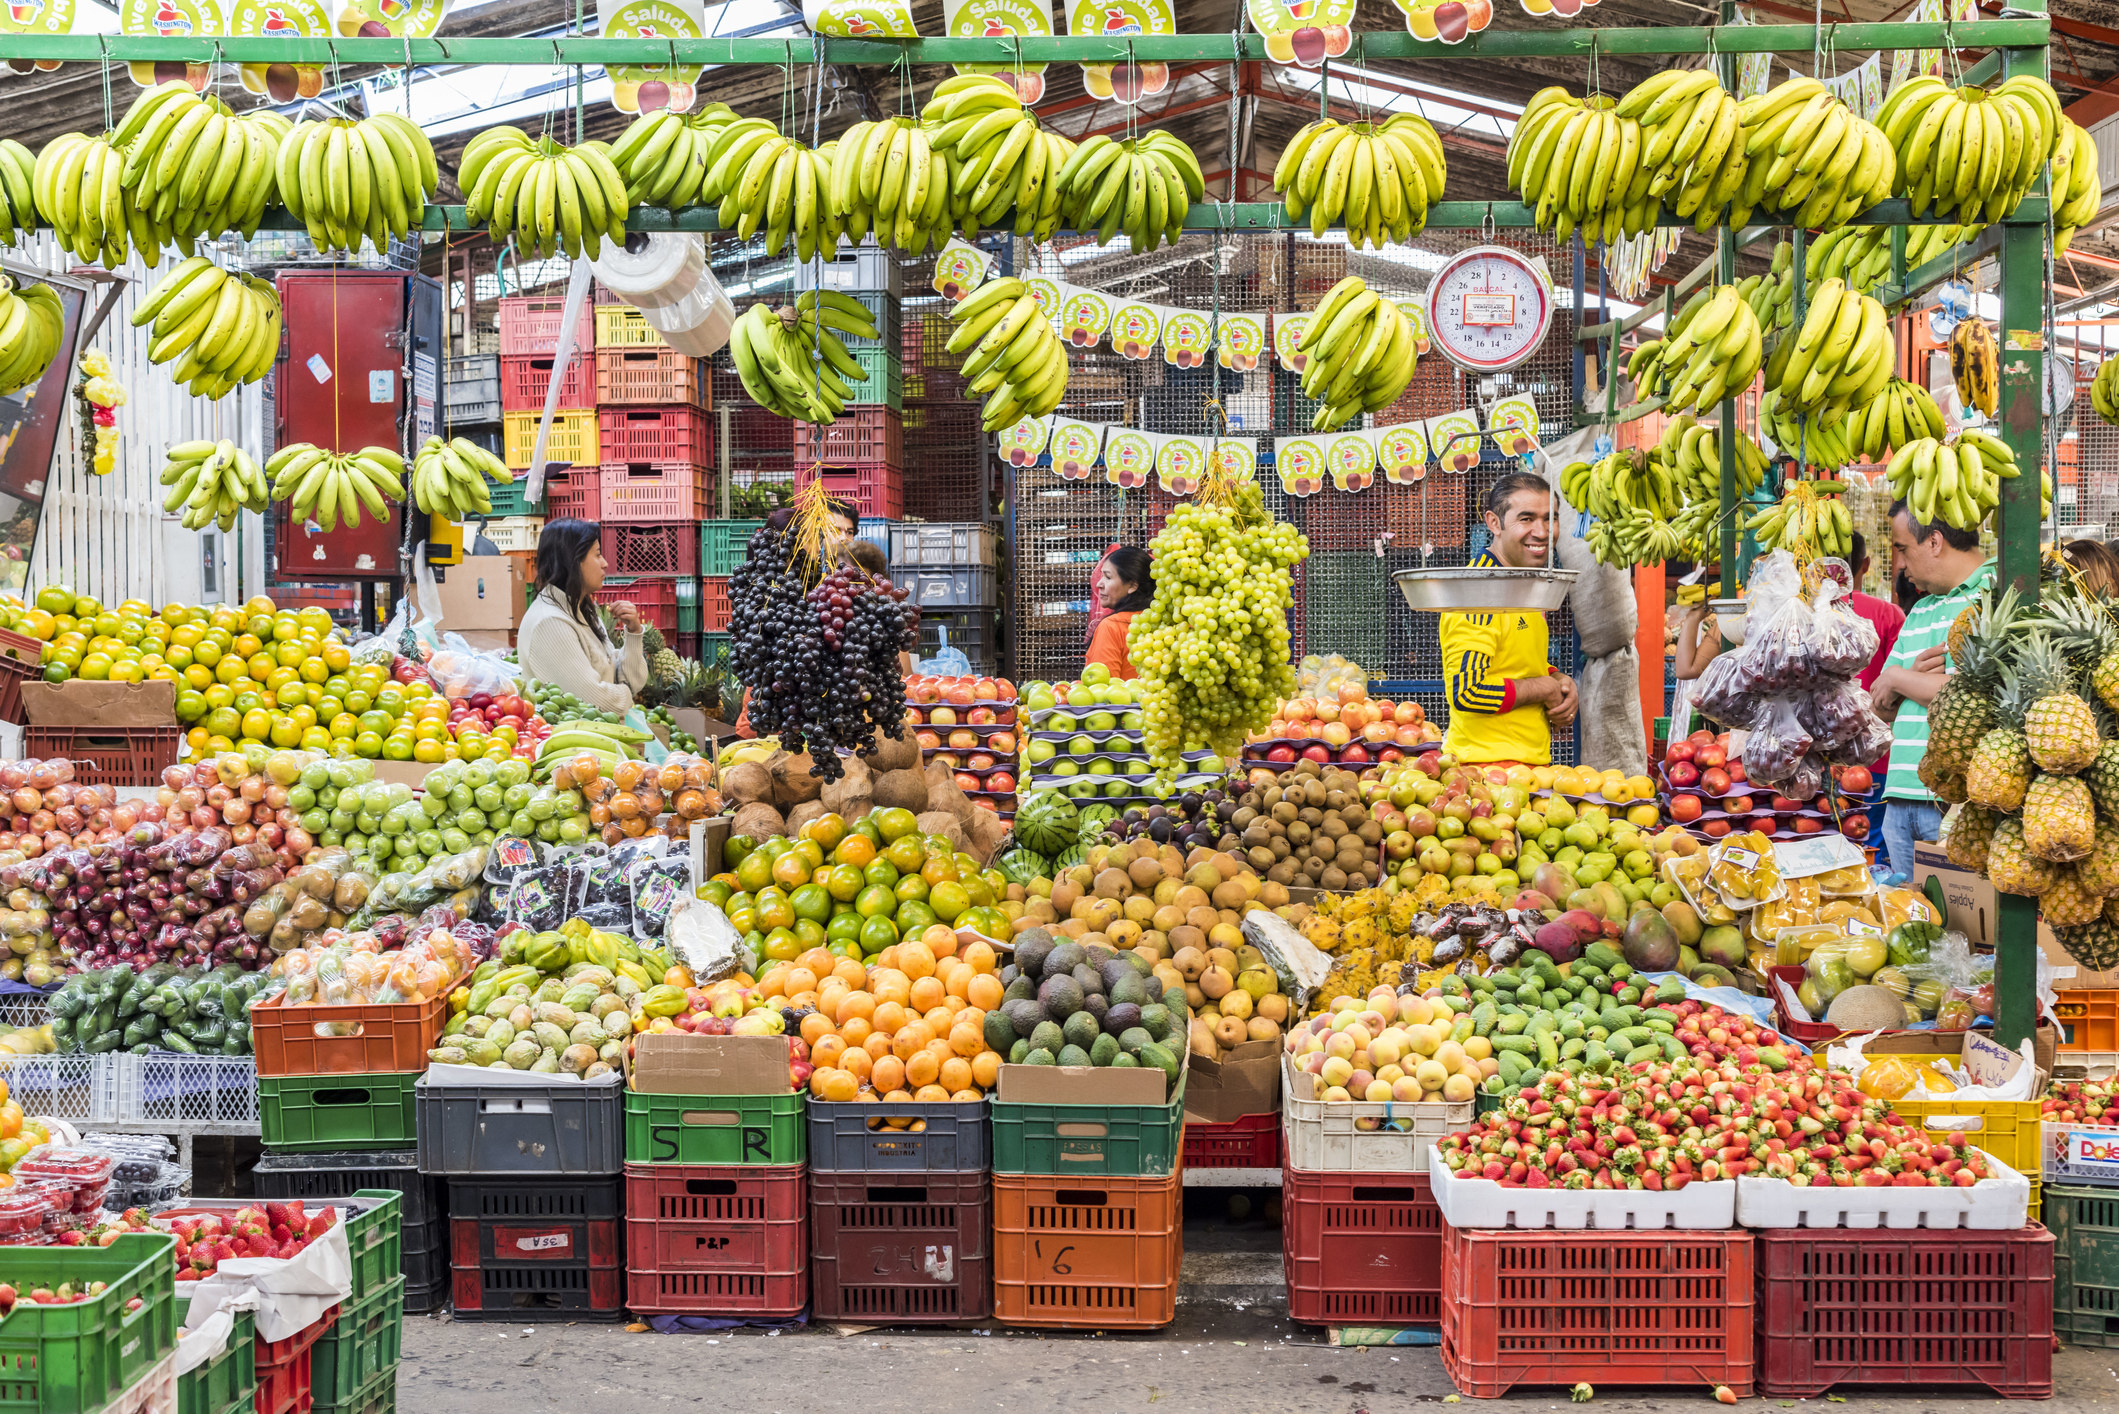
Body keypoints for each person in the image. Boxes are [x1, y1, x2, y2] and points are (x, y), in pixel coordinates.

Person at [1872, 500, 1994, 881]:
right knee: (1911, 924)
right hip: (1898, 799)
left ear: (1935, 542)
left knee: (1968, 927)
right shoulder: (1921, 610)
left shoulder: (1994, 596)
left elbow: (1969, 698)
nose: (1902, 564)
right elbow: (1878, 703)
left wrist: (1899, 679)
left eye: (1903, 549)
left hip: (1957, 807)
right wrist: (1909, 680)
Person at [1440, 473, 1577, 765]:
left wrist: (1557, 678)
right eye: (1526, 519)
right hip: (1484, 772)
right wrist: (1542, 687)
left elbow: (1514, 660)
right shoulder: (1479, 595)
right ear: (1493, 523)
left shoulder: (1519, 586)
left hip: (1525, 768)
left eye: (1549, 519)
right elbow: (1468, 692)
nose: (1541, 532)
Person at [518, 518, 650, 713]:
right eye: (597, 555)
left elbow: (631, 680)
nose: (605, 563)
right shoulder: (550, 622)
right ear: (572, 560)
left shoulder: (582, 609)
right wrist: (626, 693)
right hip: (572, 738)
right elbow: (595, 700)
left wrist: (634, 632)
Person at [1847, 532, 1906, 853]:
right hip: (1876, 761)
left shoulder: (1803, 615)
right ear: (1866, 565)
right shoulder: (1888, 615)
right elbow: (1898, 691)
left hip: (1814, 762)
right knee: (1872, 852)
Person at [1086, 547, 1153, 681]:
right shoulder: (1162, 622)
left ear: (1132, 586)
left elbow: (1101, 688)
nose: (1099, 584)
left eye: (1108, 577)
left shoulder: (1112, 627)